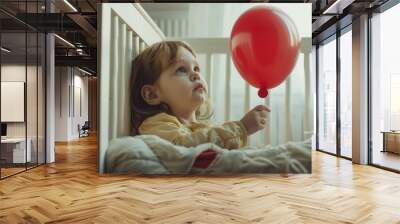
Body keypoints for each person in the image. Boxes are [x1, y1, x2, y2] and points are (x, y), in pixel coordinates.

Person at [130, 40, 270, 150]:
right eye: (181, 70)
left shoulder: (204, 128)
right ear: (152, 95)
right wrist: (241, 128)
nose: (196, 74)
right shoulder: (156, 124)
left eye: (196, 68)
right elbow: (185, 147)